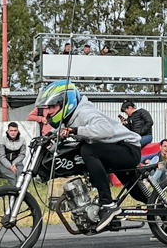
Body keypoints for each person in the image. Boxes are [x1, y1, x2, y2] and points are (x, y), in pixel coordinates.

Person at [34, 80, 142, 231]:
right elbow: (62, 132)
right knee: (137, 193)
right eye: (48, 108)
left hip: (128, 149)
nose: (49, 111)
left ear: (66, 103)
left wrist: (75, 130)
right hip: (114, 151)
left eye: (53, 106)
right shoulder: (70, 118)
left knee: (88, 150)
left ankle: (107, 203)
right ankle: (166, 217)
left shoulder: (85, 112)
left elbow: (106, 130)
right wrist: (46, 138)